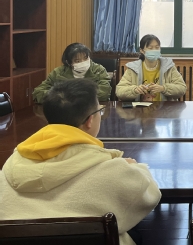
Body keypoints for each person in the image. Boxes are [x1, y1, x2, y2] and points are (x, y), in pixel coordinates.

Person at [0, 79, 161, 245]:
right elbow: (149, 195)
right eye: (99, 111)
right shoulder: (111, 170)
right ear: (90, 120)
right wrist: (135, 167)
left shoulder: (11, 163)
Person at [32, 42, 111, 103]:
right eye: (78, 61)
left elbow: (104, 93)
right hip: (65, 111)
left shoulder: (98, 70)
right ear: (68, 62)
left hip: (91, 110)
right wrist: (61, 97)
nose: (83, 62)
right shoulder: (58, 72)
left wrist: (70, 96)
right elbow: (38, 92)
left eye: (86, 58)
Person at [116, 34, 186, 101]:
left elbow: (182, 88)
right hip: (139, 108)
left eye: (157, 47)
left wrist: (163, 88)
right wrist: (134, 90)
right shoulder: (133, 68)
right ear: (142, 50)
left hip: (164, 107)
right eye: (150, 48)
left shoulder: (169, 67)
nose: (154, 50)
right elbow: (119, 91)